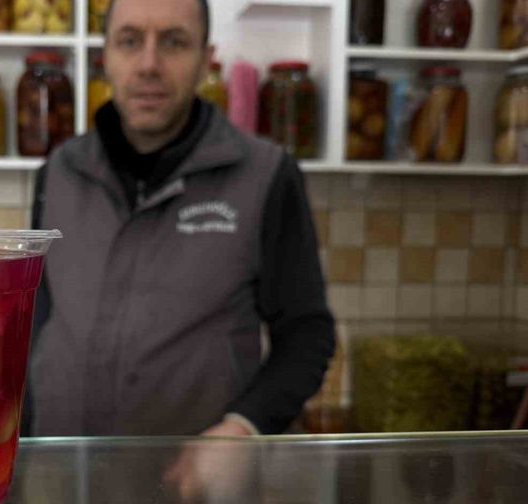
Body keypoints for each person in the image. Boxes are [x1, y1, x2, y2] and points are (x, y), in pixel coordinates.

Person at [24, 0, 335, 438]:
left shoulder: (265, 175)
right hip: (59, 473)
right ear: (105, 55)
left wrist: (245, 426)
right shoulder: (58, 172)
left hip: (193, 485)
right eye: (129, 41)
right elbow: (35, 321)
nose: (149, 64)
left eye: (174, 42)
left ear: (205, 60)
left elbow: (307, 333)